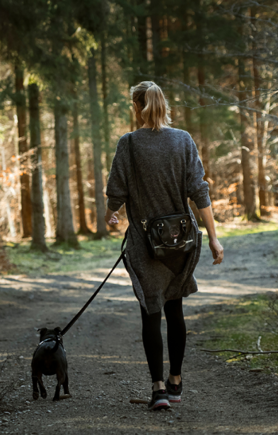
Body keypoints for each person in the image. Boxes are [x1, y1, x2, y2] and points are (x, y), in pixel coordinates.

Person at [105, 81, 224, 411]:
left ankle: (157, 389)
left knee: (150, 312)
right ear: (162, 104)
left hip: (146, 243)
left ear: (136, 106)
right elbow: (199, 191)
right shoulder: (183, 140)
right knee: (175, 310)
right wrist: (213, 237)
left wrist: (110, 215)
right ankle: (175, 381)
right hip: (183, 240)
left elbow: (116, 192)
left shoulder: (128, 144)